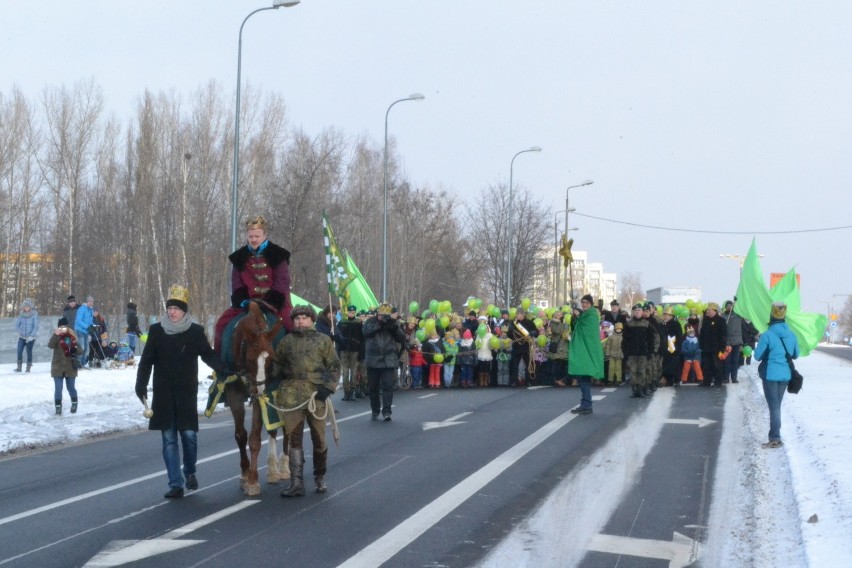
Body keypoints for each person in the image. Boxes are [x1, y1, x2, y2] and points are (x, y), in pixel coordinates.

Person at [135, 284, 224, 499]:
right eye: (169, 308)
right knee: (168, 439)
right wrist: (140, 385)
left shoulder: (195, 332)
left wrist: (224, 369)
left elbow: (207, 354)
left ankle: (190, 471)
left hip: (186, 392)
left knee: (189, 436)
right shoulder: (157, 331)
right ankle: (175, 484)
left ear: (184, 311)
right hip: (164, 393)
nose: (172, 311)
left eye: (176, 308)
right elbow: (146, 361)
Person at [271, 305, 340, 496]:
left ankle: (320, 476)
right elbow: (275, 367)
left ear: (312, 320)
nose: (300, 321)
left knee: (319, 438)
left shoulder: (323, 340)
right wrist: (260, 374)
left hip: (315, 395)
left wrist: (327, 388)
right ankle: (296, 483)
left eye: (304, 317)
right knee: (294, 439)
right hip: (291, 395)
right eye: (297, 318)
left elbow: (335, 366)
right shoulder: (286, 342)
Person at [214, 215, 293, 355]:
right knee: (221, 325)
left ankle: (290, 367)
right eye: (251, 236)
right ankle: (223, 366)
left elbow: (282, 282)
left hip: (275, 304)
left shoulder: (278, 255)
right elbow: (237, 285)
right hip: (247, 304)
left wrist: (267, 303)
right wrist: (245, 302)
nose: (254, 239)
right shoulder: (239, 257)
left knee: (292, 326)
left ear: (265, 235)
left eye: (257, 236)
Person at [754, 302, 799, 449]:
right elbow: (795, 354)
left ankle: (775, 438)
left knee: (774, 407)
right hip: (785, 375)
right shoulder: (791, 334)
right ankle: (775, 436)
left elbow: (757, 356)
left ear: (771, 316)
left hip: (770, 375)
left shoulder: (767, 335)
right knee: (776, 406)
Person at [363, 303, 407, 420]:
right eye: (381, 315)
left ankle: (387, 411)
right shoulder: (371, 322)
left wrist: (392, 324)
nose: (383, 317)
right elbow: (366, 332)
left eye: (385, 315)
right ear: (377, 313)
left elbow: (401, 337)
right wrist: (379, 323)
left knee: (388, 386)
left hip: (388, 360)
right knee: (373, 388)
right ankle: (375, 410)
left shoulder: (391, 323)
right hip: (373, 360)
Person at [568, 295, 605, 415]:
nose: (584, 304)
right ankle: (586, 403)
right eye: (582, 302)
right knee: (582, 377)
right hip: (583, 350)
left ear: (591, 304)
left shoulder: (592, 315)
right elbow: (575, 327)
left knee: (583, 377)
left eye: (586, 303)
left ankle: (586, 404)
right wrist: (575, 317)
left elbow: (585, 328)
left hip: (587, 351)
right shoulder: (585, 314)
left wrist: (579, 317)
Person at [48, 317, 82, 415]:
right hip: (57, 367)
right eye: (61, 327)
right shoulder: (56, 336)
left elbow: (80, 350)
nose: (63, 328)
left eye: (65, 326)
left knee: (71, 387)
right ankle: (58, 408)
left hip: (70, 367)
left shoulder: (72, 335)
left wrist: (74, 348)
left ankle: (74, 403)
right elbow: (50, 345)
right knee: (58, 388)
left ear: (67, 327)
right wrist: (55, 334)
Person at [623, 303, 655, 398]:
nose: (637, 312)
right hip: (631, 353)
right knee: (633, 373)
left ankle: (640, 390)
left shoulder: (646, 324)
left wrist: (650, 352)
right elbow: (625, 340)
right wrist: (625, 353)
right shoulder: (628, 324)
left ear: (642, 312)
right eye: (635, 311)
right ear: (633, 312)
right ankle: (634, 390)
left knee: (641, 372)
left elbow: (651, 340)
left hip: (643, 353)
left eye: (639, 310)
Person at [335, 305, 364, 401]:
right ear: (347, 312)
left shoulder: (359, 323)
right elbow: (338, 336)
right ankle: (346, 392)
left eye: (353, 312)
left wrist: (361, 352)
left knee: (354, 372)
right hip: (344, 350)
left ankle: (352, 391)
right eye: (350, 312)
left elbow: (362, 338)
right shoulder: (342, 323)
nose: (352, 313)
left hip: (355, 351)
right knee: (345, 372)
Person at [699, 303, 728, 387]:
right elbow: (702, 333)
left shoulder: (721, 320)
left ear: (714, 311)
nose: (707, 311)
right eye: (707, 310)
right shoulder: (705, 320)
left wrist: (722, 347)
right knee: (706, 366)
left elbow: (723, 335)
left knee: (717, 366)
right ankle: (706, 382)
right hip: (706, 348)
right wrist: (701, 343)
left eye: (709, 310)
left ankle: (718, 382)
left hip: (717, 348)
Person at [661, 307, 684, 387]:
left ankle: (677, 380)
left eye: (667, 315)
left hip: (673, 346)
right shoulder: (662, 324)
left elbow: (679, 336)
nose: (665, 316)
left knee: (675, 364)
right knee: (666, 363)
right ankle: (668, 380)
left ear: (671, 316)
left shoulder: (676, 324)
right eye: (664, 315)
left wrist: (678, 347)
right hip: (665, 347)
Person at [15, 298, 40, 373]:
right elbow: (17, 325)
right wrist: (20, 331)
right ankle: (19, 367)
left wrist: (31, 336)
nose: (26, 308)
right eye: (25, 307)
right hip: (22, 337)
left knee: (29, 351)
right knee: (19, 351)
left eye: (27, 307)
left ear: (30, 307)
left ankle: (28, 367)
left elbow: (36, 326)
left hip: (30, 337)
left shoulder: (34, 314)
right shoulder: (21, 314)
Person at [723, 299, 744, 383]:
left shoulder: (738, 315)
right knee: (727, 361)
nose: (729, 307)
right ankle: (726, 378)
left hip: (737, 342)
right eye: (727, 306)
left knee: (735, 361)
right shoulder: (723, 317)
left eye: (730, 306)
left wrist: (737, 301)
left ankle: (734, 378)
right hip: (727, 342)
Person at [74, 295, 95, 369]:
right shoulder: (82, 309)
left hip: (86, 332)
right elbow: (78, 320)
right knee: (81, 347)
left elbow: (90, 321)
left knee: (87, 349)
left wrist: (92, 326)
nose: (90, 303)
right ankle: (78, 363)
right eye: (89, 301)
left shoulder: (91, 310)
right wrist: (87, 326)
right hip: (79, 330)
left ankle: (83, 363)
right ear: (87, 302)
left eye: (91, 301)